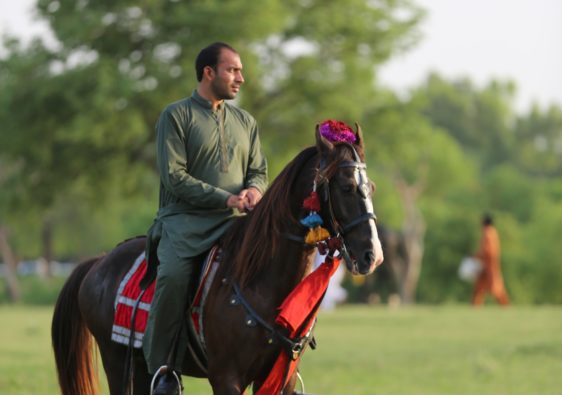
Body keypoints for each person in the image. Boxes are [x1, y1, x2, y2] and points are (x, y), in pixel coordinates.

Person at [143, 42, 268, 395]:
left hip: (234, 221)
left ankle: (285, 367)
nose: (240, 78)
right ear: (208, 73)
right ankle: (163, 371)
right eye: (233, 70)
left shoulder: (246, 121)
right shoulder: (175, 115)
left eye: (241, 70)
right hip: (183, 222)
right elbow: (174, 177)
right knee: (172, 276)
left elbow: (258, 170)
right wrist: (227, 196)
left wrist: (254, 192)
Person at [471, 214, 510, 306]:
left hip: (489, 265)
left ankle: (506, 307)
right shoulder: (493, 232)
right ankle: (475, 307)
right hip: (487, 265)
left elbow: (488, 251)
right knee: (479, 288)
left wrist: (477, 256)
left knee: (496, 288)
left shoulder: (488, 233)